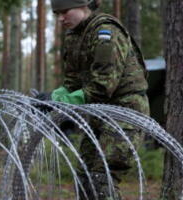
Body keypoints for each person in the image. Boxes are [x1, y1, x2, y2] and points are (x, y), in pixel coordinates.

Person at [39, 0, 150, 199]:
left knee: (102, 179)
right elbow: (72, 83)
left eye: (65, 12)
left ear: (83, 5)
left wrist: (62, 103)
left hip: (125, 112)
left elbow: (102, 86)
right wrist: (52, 99)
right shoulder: (74, 36)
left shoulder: (105, 33)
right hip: (98, 114)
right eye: (57, 14)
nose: (61, 18)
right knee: (84, 178)